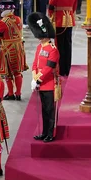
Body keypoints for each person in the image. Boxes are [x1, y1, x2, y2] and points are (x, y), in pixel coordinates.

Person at [28, 13, 60, 143]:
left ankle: (50, 133)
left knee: (49, 110)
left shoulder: (53, 50)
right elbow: (35, 63)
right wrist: (33, 77)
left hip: (49, 83)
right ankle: (44, 132)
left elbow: (49, 68)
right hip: (40, 83)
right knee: (43, 110)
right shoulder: (39, 47)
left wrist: (38, 79)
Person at [0, 0, 27, 101]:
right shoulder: (18, 19)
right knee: (17, 72)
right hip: (19, 48)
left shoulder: (2, 22)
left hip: (8, 49)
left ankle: (11, 93)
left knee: (7, 73)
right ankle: (18, 93)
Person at [47, 0, 76, 78]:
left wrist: (51, 17)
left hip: (58, 21)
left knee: (59, 46)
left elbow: (50, 8)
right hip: (69, 20)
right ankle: (67, 68)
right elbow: (74, 7)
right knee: (68, 45)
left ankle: (60, 69)